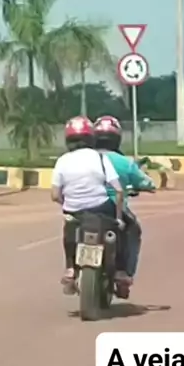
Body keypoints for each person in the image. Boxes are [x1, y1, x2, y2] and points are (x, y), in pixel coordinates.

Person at [50, 116, 127, 286]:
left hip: (73, 210)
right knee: (119, 230)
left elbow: (55, 195)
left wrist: (68, 204)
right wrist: (119, 218)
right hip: (100, 208)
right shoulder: (100, 158)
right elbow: (119, 190)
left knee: (69, 230)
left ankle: (70, 268)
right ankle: (120, 271)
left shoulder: (62, 161)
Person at [93, 115, 156, 285]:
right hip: (114, 208)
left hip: (86, 207)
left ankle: (70, 267)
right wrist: (147, 186)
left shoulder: (84, 159)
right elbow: (146, 182)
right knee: (133, 229)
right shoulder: (124, 163)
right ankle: (124, 272)